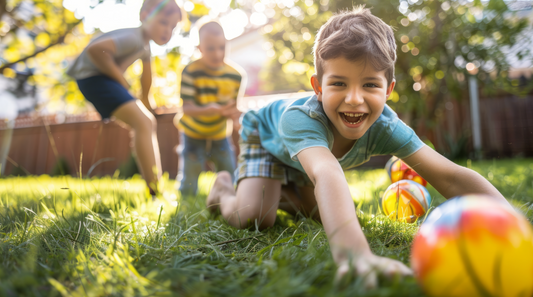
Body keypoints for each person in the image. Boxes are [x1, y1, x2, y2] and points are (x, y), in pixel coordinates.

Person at [206, 7, 508, 288]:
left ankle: (284, 192)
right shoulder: (300, 120)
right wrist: (355, 254)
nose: (354, 98)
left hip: (306, 162)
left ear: (388, 90)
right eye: (339, 84)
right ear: (318, 86)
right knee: (257, 217)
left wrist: (510, 222)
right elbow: (326, 172)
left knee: (324, 213)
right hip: (268, 140)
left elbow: (451, 176)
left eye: (370, 85)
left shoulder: (386, 128)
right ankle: (223, 190)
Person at [67, 0, 182, 196]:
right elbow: (96, 50)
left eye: (173, 27)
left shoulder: (144, 47)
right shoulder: (133, 38)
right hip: (93, 77)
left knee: (145, 121)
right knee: (144, 123)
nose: (167, 31)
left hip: (97, 79)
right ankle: (155, 191)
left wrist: (147, 103)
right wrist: (121, 80)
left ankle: (154, 188)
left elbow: (146, 80)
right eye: (163, 22)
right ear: (145, 16)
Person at [174, 21, 245, 196]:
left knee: (229, 172)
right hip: (193, 132)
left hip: (220, 134)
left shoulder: (236, 75)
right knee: (190, 175)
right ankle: (186, 201)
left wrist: (236, 120)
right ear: (200, 48)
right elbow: (187, 108)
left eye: (221, 47)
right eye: (210, 48)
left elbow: (233, 108)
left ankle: (230, 199)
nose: (217, 53)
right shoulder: (191, 71)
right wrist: (210, 109)